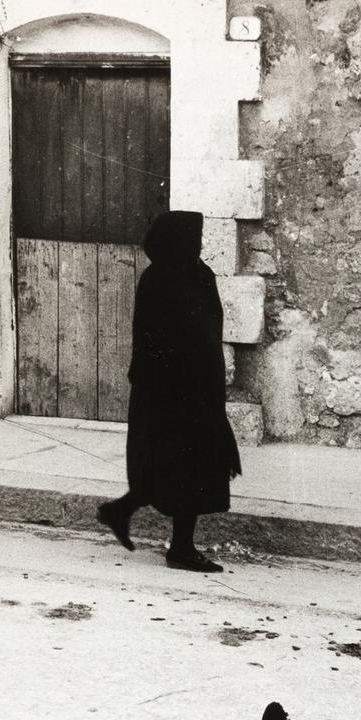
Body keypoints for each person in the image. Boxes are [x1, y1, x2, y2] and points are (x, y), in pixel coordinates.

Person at [97, 210, 241, 571]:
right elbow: (159, 338)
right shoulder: (170, 277)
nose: (200, 243)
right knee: (186, 465)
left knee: (176, 463)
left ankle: (122, 511)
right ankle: (180, 548)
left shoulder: (184, 274)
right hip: (176, 390)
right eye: (194, 237)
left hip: (188, 389)